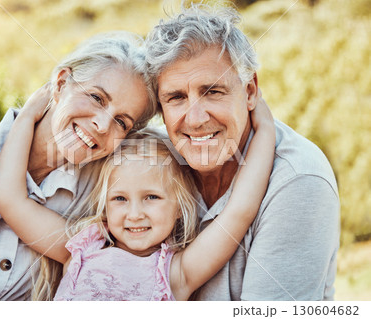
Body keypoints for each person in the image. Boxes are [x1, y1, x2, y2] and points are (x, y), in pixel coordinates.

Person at [0, 31, 157, 300]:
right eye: (96, 97)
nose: (102, 126)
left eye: (121, 122)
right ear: (60, 82)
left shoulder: (104, 193)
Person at [0, 87, 275, 300]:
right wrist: (27, 116)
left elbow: (239, 211)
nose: (134, 214)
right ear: (105, 207)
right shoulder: (81, 248)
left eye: (151, 197)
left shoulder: (177, 272)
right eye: (119, 199)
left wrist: (265, 130)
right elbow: (9, 199)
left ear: (179, 206)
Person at [144, 3, 340, 300]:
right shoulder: (149, 165)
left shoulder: (299, 180)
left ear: (250, 91)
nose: (195, 119)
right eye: (176, 98)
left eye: (213, 91)